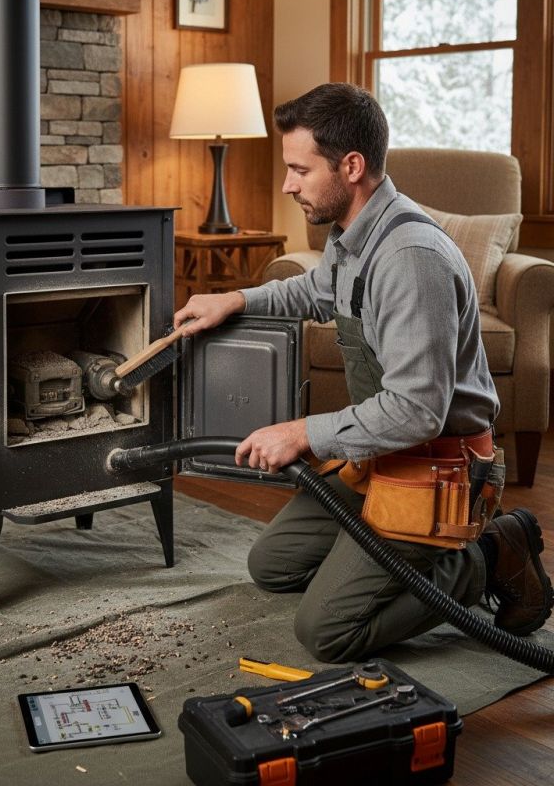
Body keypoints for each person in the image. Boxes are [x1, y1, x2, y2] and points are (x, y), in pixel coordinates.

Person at [173, 82, 553, 663]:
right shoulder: (354, 235)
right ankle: (382, 561)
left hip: (435, 470)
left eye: (300, 169)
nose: (287, 184)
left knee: (327, 630)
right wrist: (237, 300)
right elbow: (317, 289)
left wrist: (301, 432)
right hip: (377, 458)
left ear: (351, 166)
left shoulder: (409, 260)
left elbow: (417, 411)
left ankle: (487, 558)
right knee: (272, 566)